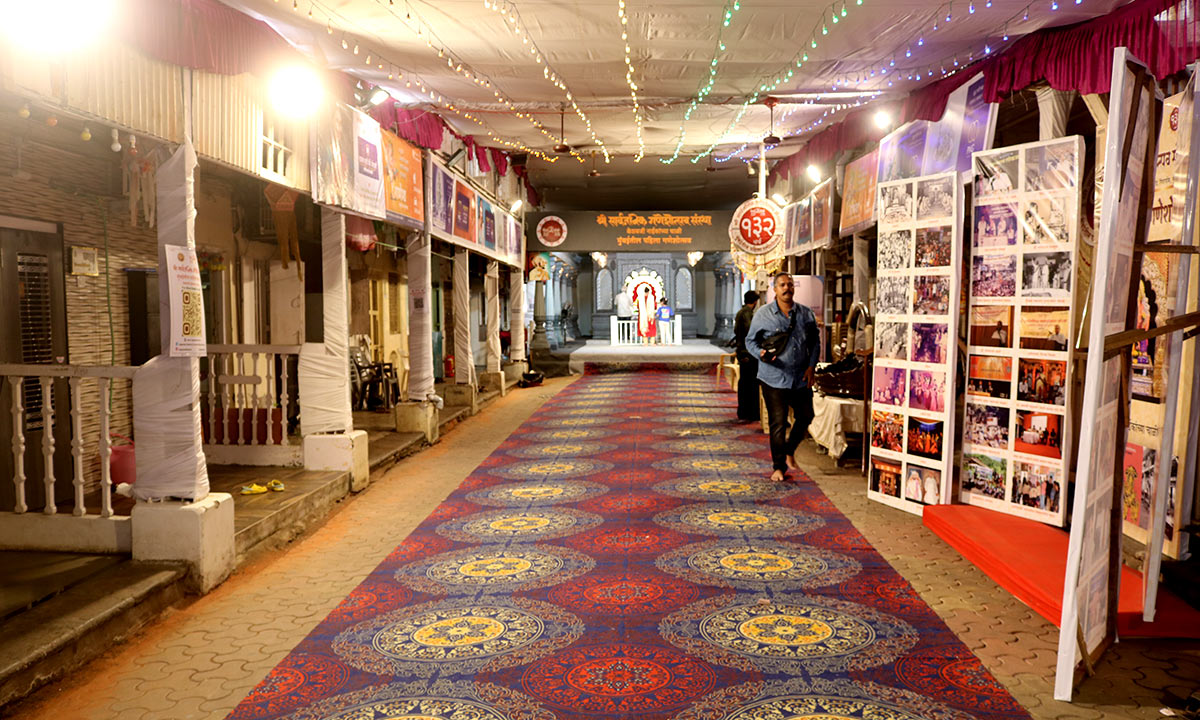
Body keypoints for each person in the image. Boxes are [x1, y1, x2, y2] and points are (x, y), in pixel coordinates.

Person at [746, 272, 821, 482]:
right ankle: (778, 467)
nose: (787, 288)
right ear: (775, 289)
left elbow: (815, 342)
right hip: (773, 377)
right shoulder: (763, 314)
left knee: (806, 415)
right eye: (782, 285)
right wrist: (760, 354)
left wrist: (812, 366)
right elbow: (750, 341)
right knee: (778, 422)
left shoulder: (805, 314)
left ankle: (789, 449)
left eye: (790, 284)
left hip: (800, 377)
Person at [733, 290, 760, 422]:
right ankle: (751, 413)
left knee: (744, 383)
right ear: (755, 302)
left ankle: (743, 412)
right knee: (751, 384)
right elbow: (751, 332)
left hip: (742, 351)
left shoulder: (740, 313)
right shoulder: (747, 314)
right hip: (748, 353)